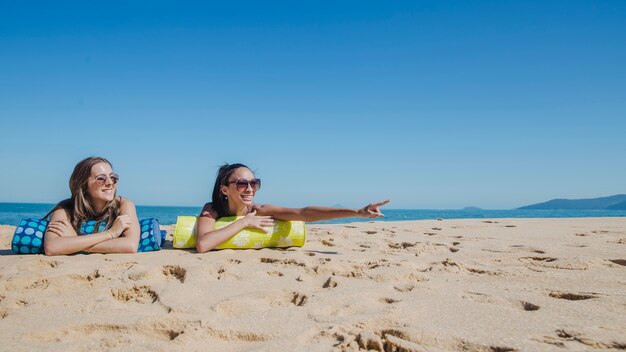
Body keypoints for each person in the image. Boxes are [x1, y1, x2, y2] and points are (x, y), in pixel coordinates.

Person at [196, 163, 390, 253]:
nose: (249, 189)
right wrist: (245, 222)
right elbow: (203, 244)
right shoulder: (212, 209)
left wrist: (356, 212)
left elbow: (303, 213)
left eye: (254, 183)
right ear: (224, 189)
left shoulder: (260, 209)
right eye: (241, 184)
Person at [43, 157, 140, 255]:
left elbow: (130, 246)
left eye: (113, 177)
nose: (110, 183)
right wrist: (111, 233)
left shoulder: (124, 205)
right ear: (83, 184)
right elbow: (52, 247)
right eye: (101, 178)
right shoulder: (65, 208)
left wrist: (75, 241)